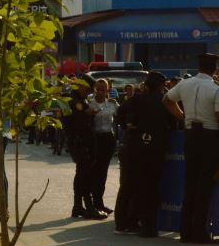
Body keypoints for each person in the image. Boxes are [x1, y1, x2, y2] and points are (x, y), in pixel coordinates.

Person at [163, 53, 219, 244]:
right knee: (205, 186)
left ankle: (185, 232)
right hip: (210, 138)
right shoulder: (216, 89)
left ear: (199, 67)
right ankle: (200, 233)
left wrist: (183, 117)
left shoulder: (184, 84)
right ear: (215, 69)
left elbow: (167, 100)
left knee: (190, 184)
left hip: (190, 137)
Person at [116, 72, 176, 236]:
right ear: (161, 85)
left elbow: (120, 111)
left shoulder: (138, 99)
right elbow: (174, 123)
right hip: (156, 147)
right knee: (152, 187)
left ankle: (129, 222)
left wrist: (127, 125)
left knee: (134, 186)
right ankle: (149, 225)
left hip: (137, 146)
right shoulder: (165, 101)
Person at [65, 81, 106, 220]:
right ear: (80, 86)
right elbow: (89, 112)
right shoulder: (74, 99)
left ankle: (77, 206)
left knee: (81, 173)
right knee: (85, 175)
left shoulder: (79, 98)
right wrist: (102, 104)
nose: (88, 92)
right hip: (78, 141)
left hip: (81, 140)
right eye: (87, 89)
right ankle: (89, 207)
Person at [88, 79, 118, 216]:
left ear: (108, 90)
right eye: (98, 89)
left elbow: (122, 115)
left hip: (108, 139)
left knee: (103, 172)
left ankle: (99, 202)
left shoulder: (112, 104)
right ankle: (92, 203)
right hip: (94, 140)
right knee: (94, 171)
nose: (100, 92)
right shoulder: (89, 103)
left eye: (103, 89)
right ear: (94, 89)